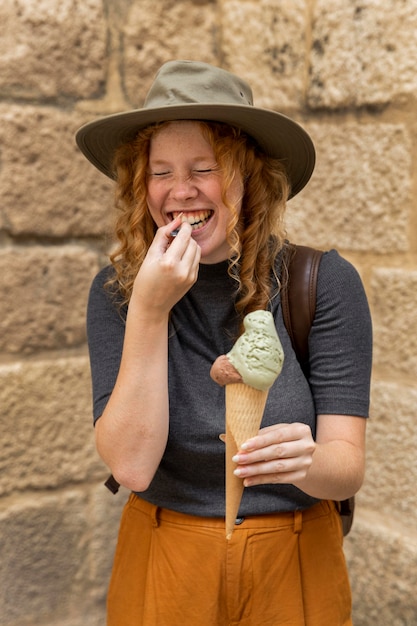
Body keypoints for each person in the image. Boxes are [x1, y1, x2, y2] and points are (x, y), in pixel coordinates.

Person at [76, 60, 372, 626]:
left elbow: (347, 465)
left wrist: (305, 462)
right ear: (142, 187)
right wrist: (149, 307)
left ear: (247, 176)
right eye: (160, 172)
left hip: (294, 556)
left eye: (203, 168)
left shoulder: (323, 283)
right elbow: (132, 467)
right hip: (165, 553)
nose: (180, 192)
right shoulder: (118, 292)